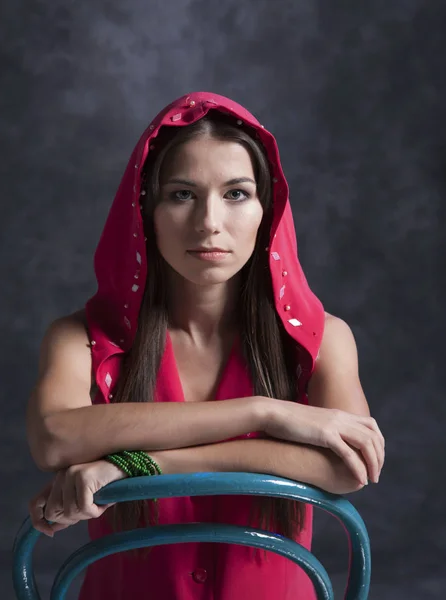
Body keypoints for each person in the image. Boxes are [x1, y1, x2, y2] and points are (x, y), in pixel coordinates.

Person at [26, 92, 385, 600]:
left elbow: (350, 469)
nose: (209, 223)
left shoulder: (322, 338)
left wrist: (135, 465)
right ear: (144, 211)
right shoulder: (81, 338)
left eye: (236, 193)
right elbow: (54, 439)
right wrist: (265, 413)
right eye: (181, 195)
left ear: (268, 211)